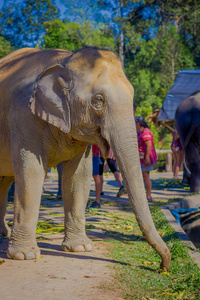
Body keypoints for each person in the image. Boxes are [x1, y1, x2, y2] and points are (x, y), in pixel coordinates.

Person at [135, 116, 157, 202]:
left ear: (138, 124)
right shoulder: (139, 132)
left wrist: (147, 158)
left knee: (146, 177)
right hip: (142, 157)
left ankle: (148, 196)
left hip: (146, 158)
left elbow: (149, 145)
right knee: (144, 177)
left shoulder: (146, 132)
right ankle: (146, 195)